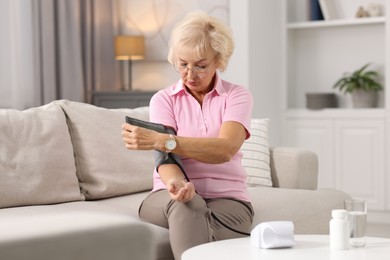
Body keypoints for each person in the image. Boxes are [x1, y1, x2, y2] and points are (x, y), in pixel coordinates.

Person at [121, 10, 254, 260]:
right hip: (168, 195)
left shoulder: (237, 96)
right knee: (187, 206)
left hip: (228, 198)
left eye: (201, 66)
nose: (190, 75)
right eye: (182, 64)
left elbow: (225, 149)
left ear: (219, 61)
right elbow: (166, 160)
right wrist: (177, 185)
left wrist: (162, 140)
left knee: (192, 218)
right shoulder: (163, 100)